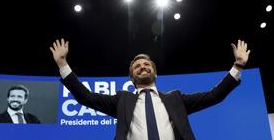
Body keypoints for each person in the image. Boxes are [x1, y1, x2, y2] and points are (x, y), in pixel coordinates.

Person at [50, 38, 250, 140]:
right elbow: (85, 96)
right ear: (132, 78)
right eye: (137, 67)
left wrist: (238, 66)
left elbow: (214, 96)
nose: (142, 67)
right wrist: (62, 65)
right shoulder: (122, 100)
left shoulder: (175, 99)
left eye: (147, 65)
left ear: (154, 72)